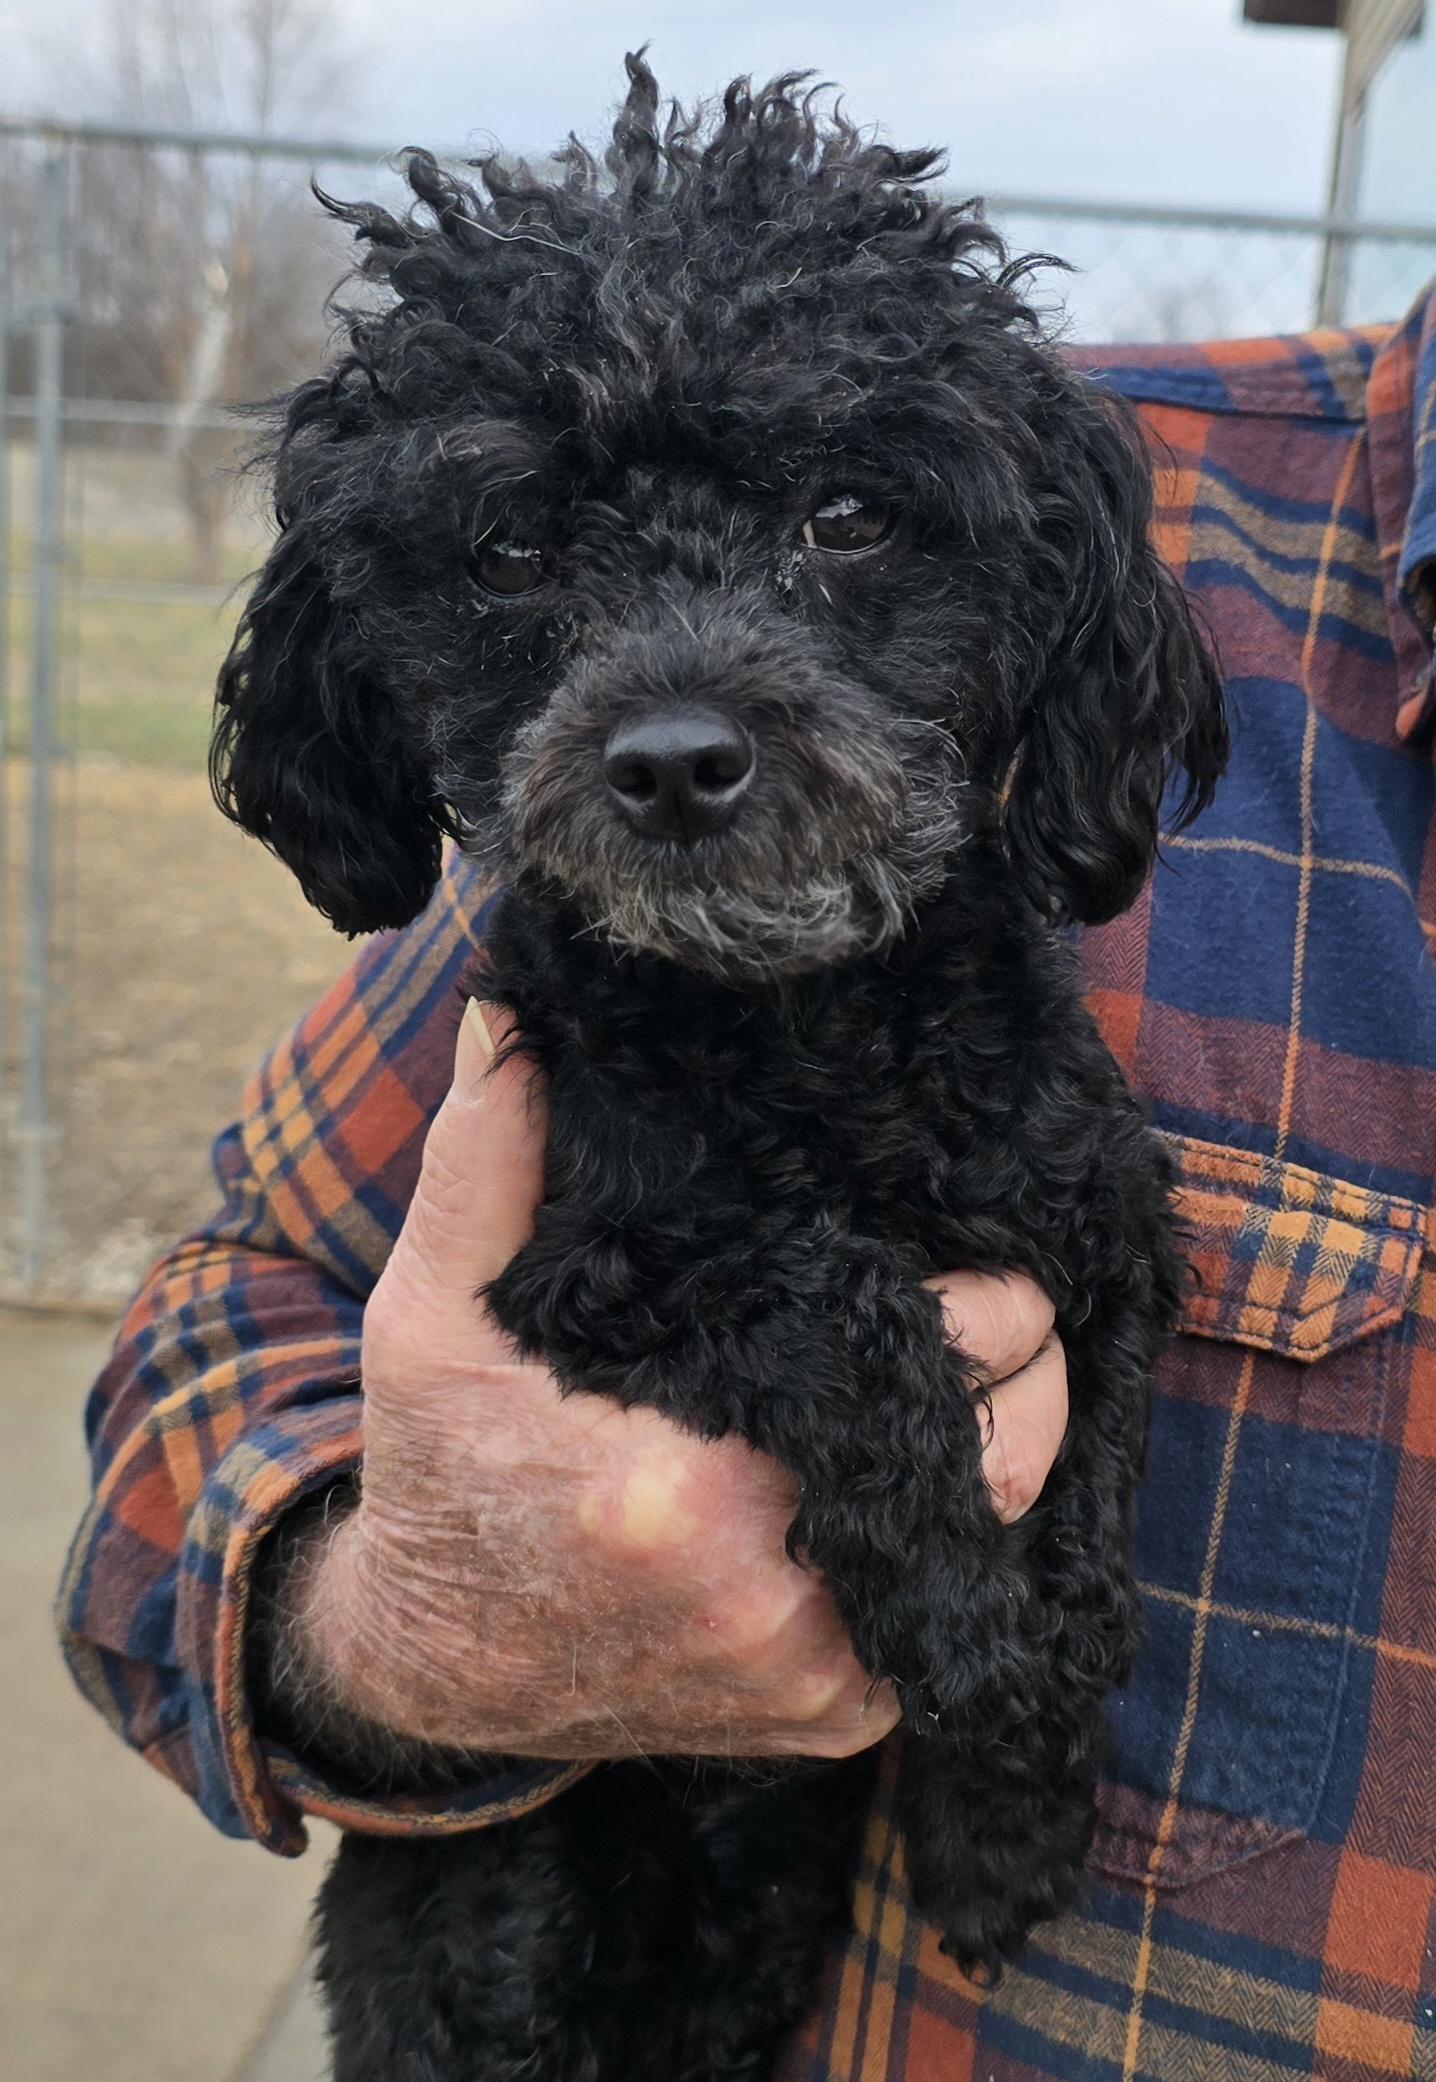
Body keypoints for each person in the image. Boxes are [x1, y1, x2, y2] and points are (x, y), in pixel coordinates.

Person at [58, 285, 1436, 2080]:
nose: (678, 722)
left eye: (842, 527)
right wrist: (396, 1618)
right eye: (524, 558)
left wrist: (1006, 1681)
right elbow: (213, 1344)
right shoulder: (609, 922)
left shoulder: (1007, 495)